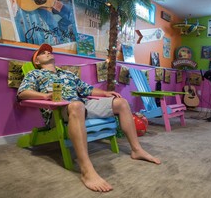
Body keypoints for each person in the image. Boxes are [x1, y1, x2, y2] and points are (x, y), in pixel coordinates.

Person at [17, 44, 161, 192]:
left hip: (82, 105)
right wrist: (44, 96)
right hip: (58, 111)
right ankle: (86, 170)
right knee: (77, 105)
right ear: (37, 62)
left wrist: (105, 93)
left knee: (122, 103)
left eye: (49, 51)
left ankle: (137, 150)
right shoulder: (34, 74)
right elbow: (22, 93)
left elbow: (87, 89)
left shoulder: (68, 74)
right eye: (42, 53)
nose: (47, 52)